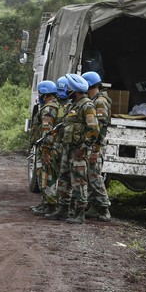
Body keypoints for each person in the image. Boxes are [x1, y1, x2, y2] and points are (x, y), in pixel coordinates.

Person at [45, 73, 99, 224]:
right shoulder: (72, 105)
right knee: (64, 179)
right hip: (68, 149)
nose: (66, 90)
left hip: (78, 151)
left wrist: (84, 147)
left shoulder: (87, 106)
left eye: (69, 88)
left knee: (79, 182)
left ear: (74, 90)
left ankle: (79, 213)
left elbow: (94, 130)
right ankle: (63, 209)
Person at [82, 71, 112, 222]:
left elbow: (101, 128)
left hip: (96, 146)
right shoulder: (95, 100)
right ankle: (94, 207)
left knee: (94, 177)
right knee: (90, 176)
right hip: (94, 145)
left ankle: (104, 208)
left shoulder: (99, 102)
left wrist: (95, 150)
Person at [31, 80, 59, 216]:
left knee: (47, 176)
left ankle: (50, 205)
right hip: (47, 147)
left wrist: (46, 150)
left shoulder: (48, 109)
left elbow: (46, 132)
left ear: (45, 94)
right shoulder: (51, 106)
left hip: (48, 148)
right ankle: (45, 203)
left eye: (41, 94)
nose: (39, 96)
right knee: (43, 175)